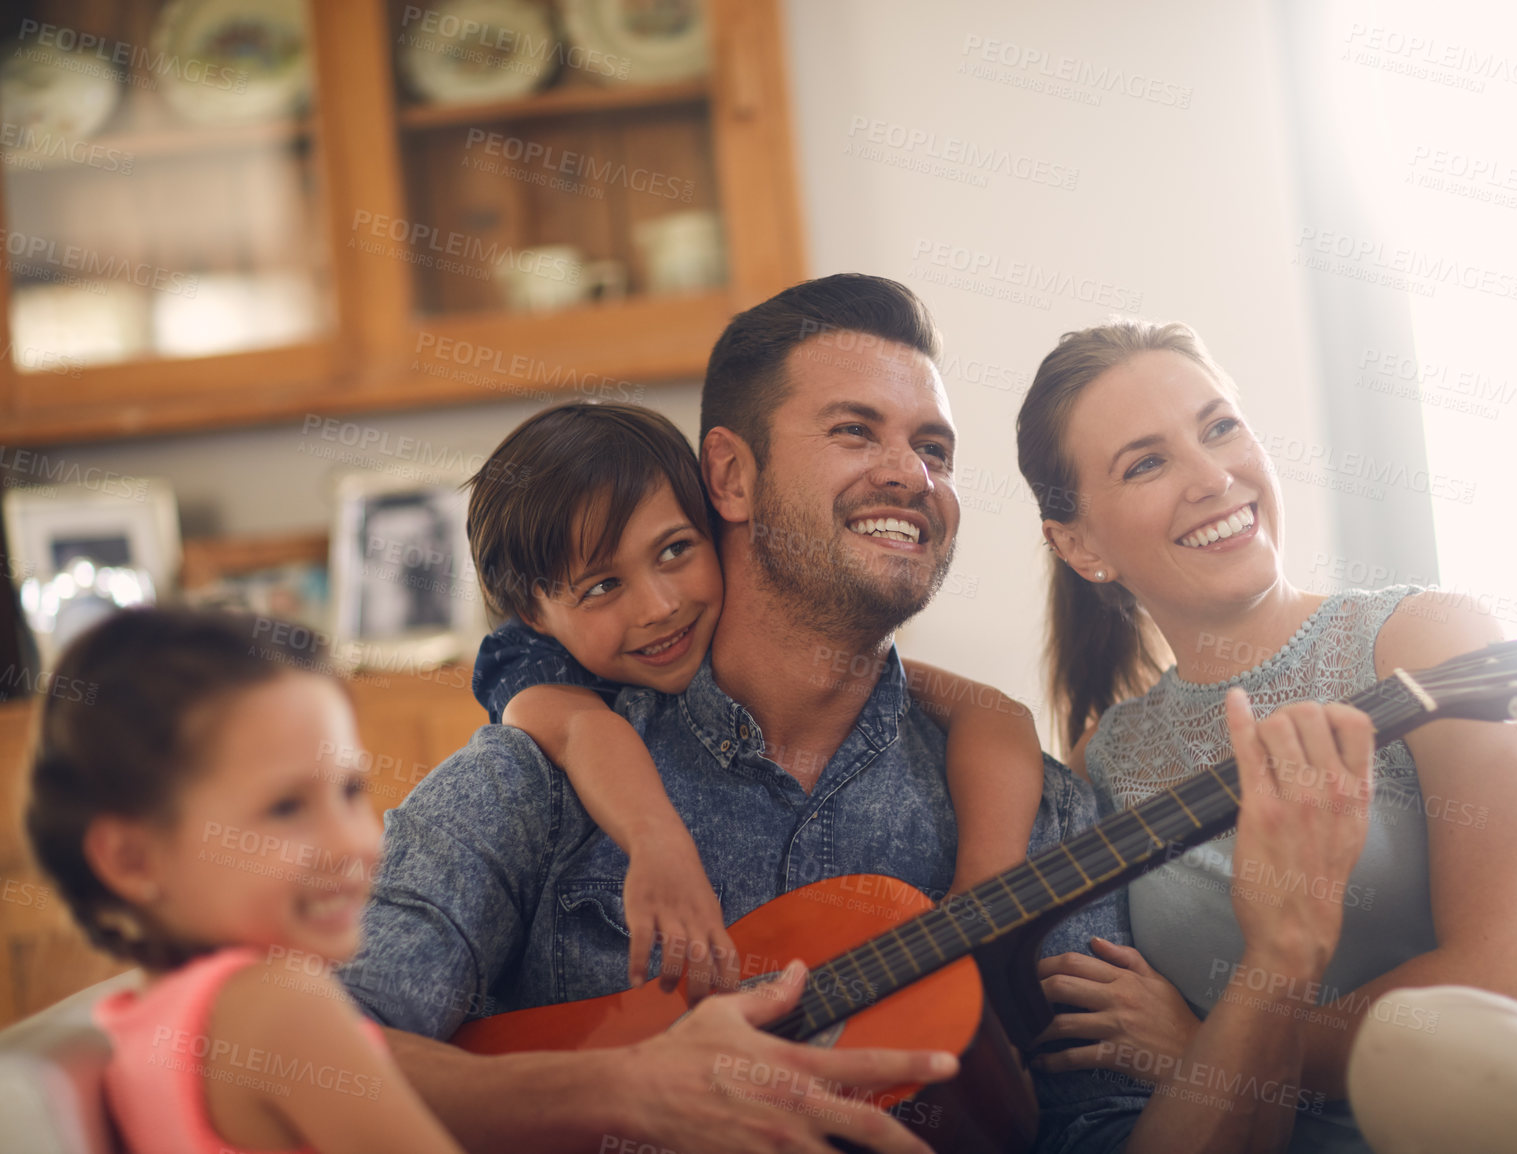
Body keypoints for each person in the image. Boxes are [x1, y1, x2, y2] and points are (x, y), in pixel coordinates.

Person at [338, 274, 1378, 1153]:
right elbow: (301, 1053)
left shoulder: (1046, 818)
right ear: (731, 475)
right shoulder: (539, 773)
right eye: (855, 430)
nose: (910, 474)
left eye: (935, 447)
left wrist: (1277, 962)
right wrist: (622, 1088)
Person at [1015, 319, 1517, 1152]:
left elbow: (1508, 985)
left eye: (1220, 427)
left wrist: (1212, 1056)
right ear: (1078, 544)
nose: (1213, 476)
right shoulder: (1104, 762)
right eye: (1147, 462)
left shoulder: (1427, 641)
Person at [461, 400, 1049, 996]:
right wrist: (656, 841)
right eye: (604, 585)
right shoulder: (531, 659)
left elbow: (993, 713)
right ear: (535, 612)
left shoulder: (724, 628)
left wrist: (982, 893)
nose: (659, 605)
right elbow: (583, 728)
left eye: (675, 550)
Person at [23, 608, 466, 1154]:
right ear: (133, 859)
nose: (352, 841)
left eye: (351, 791)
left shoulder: (143, 1022)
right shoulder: (280, 1006)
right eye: (285, 807)